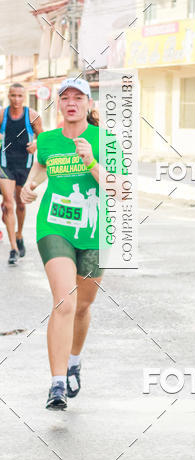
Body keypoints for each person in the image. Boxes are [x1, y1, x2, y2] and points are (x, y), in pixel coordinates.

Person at [21, 77, 120, 411]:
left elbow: (119, 190)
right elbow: (38, 173)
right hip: (55, 227)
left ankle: (74, 359)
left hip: (94, 232)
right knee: (64, 302)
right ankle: (57, 383)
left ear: (89, 105)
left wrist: (91, 160)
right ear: (60, 105)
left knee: (82, 306)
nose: (72, 102)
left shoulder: (105, 141)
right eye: (66, 97)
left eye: (79, 97)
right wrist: (28, 188)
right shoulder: (47, 141)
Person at [0, 83, 43, 264]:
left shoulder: (32, 115)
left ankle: (19, 234)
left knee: (21, 205)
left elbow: (43, 137)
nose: (16, 99)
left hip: (24, 165)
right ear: (8, 96)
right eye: (13, 95)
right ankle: (13, 248)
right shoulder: (2, 114)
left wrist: (36, 145)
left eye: (19, 96)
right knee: (9, 205)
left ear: (23, 97)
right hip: (5, 164)